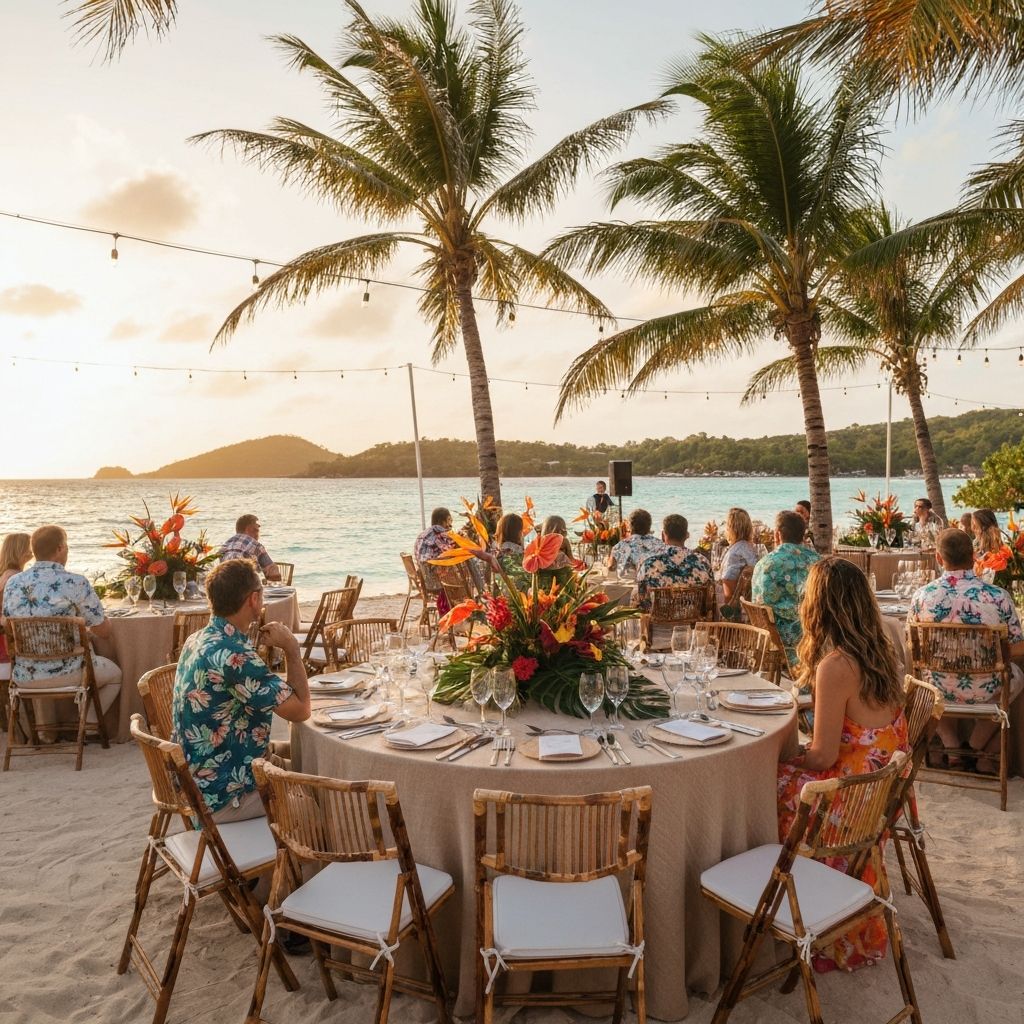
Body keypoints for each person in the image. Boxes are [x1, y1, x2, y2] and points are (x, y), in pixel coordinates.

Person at [777, 557, 909, 973]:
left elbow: (823, 756)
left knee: (763, 785)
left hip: (852, 803)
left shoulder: (836, 665)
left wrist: (785, 756)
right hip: (882, 794)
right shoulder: (880, 649)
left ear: (819, 606)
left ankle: (785, 903)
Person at [172, 558, 310, 823]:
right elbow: (301, 710)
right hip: (224, 794)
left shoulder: (198, 639)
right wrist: (292, 649)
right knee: (322, 804)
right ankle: (300, 862)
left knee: (309, 763)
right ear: (254, 599)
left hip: (197, 777)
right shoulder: (234, 656)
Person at [909, 528, 1024, 769]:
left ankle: (952, 745)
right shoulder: (998, 597)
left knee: (924, 678)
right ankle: (976, 748)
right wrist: (987, 657)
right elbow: (1018, 647)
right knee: (1016, 675)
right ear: (974, 556)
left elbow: (913, 646)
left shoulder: (922, 596)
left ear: (939, 558)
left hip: (938, 688)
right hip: (984, 690)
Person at [1, 524, 122, 720]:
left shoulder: (13, 583)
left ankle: (47, 730)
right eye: (66, 546)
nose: (67, 550)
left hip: (24, 676)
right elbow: (104, 631)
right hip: (69, 672)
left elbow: (9, 627)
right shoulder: (76, 582)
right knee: (115, 675)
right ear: (59, 549)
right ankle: (88, 724)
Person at [751, 511, 820, 667]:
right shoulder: (817, 561)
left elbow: (759, 603)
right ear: (803, 536)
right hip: (814, 634)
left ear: (777, 535)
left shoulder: (765, 563)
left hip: (776, 638)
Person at [635, 514, 713, 612]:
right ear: (687, 535)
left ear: (663, 535)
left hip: (658, 624)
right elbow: (710, 598)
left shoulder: (649, 562)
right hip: (694, 624)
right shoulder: (702, 561)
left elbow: (642, 600)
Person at [0, 532, 32, 669]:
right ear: (20, 550)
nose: (32, 550)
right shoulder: (16, 578)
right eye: (29, 546)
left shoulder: (6, 573)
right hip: (10, 640)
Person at [220, 514, 281, 582]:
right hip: (246, 588)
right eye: (257, 530)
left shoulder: (224, 546)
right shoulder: (255, 545)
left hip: (224, 588)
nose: (258, 535)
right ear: (248, 529)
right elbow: (274, 574)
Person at [606, 508, 665, 575]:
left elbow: (611, 567)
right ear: (649, 526)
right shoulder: (660, 544)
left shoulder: (621, 545)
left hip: (628, 583)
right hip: (653, 583)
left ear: (630, 526)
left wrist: (608, 559)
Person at [414, 507, 456, 594]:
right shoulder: (439, 533)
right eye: (449, 520)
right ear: (442, 521)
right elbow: (450, 551)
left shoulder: (425, 533)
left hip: (424, 579)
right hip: (434, 582)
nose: (450, 523)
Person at [720, 507, 757, 602]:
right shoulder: (750, 548)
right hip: (750, 601)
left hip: (736, 605)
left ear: (731, 528)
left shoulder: (734, 554)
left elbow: (728, 592)